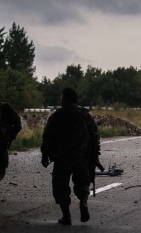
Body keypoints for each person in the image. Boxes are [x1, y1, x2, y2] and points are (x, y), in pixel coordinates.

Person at [40, 87, 100, 225]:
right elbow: (94, 136)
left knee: (60, 185)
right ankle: (83, 203)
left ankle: (66, 216)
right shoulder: (85, 115)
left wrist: (45, 154)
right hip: (81, 156)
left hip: (62, 158)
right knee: (83, 182)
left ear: (65, 99)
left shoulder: (57, 115)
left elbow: (48, 136)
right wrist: (94, 156)